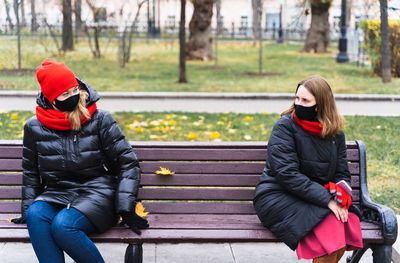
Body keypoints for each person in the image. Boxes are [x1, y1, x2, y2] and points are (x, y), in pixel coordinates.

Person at [11, 59, 149, 263]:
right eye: (65, 94)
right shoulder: (34, 127)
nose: (73, 97)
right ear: (51, 99)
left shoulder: (100, 120)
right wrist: (27, 208)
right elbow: (31, 172)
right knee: (36, 215)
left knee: (63, 225)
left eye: (74, 90)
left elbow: (127, 163)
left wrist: (125, 207)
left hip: (98, 192)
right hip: (59, 192)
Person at [253, 75, 363, 262]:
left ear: (320, 105)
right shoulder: (285, 127)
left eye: (305, 100)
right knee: (332, 231)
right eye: (297, 98)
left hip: (315, 197)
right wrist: (327, 200)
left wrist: (340, 197)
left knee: (340, 224)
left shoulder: (335, 132)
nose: (298, 104)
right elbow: (287, 174)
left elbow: (342, 172)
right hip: (278, 195)